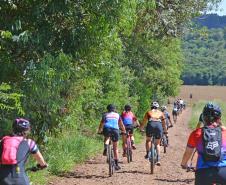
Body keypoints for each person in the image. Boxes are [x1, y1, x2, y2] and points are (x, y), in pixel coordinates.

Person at [181, 102, 226, 185]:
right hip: (223, 171)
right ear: (219, 118)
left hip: (203, 173)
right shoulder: (224, 132)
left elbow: (187, 153)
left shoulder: (196, 133)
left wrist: (184, 164)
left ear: (203, 117)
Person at [0, 118, 47, 185]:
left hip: (2, 180)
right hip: (21, 181)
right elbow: (41, 160)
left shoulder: (2, 141)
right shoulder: (30, 143)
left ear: (13, 129)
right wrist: (43, 165)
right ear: (27, 131)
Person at [98, 104, 126, 170]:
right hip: (115, 130)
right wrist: (124, 131)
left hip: (107, 129)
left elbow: (101, 124)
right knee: (115, 148)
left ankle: (106, 147)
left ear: (107, 109)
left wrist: (99, 130)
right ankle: (116, 164)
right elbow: (121, 124)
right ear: (114, 109)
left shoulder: (105, 115)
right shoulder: (117, 115)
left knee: (107, 137)